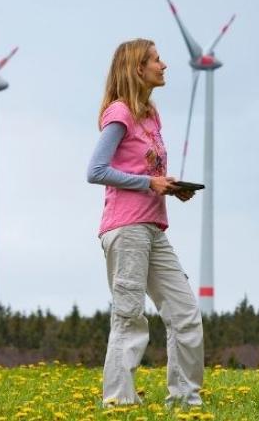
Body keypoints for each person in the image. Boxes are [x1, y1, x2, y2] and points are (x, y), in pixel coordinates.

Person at [86, 38, 204, 407]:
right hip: (126, 228)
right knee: (129, 317)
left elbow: (145, 170)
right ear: (138, 68)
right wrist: (148, 183)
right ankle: (119, 404)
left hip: (154, 226)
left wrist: (168, 187)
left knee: (185, 312)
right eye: (156, 60)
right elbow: (96, 171)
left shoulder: (151, 115)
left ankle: (186, 402)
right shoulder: (119, 113)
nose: (164, 65)